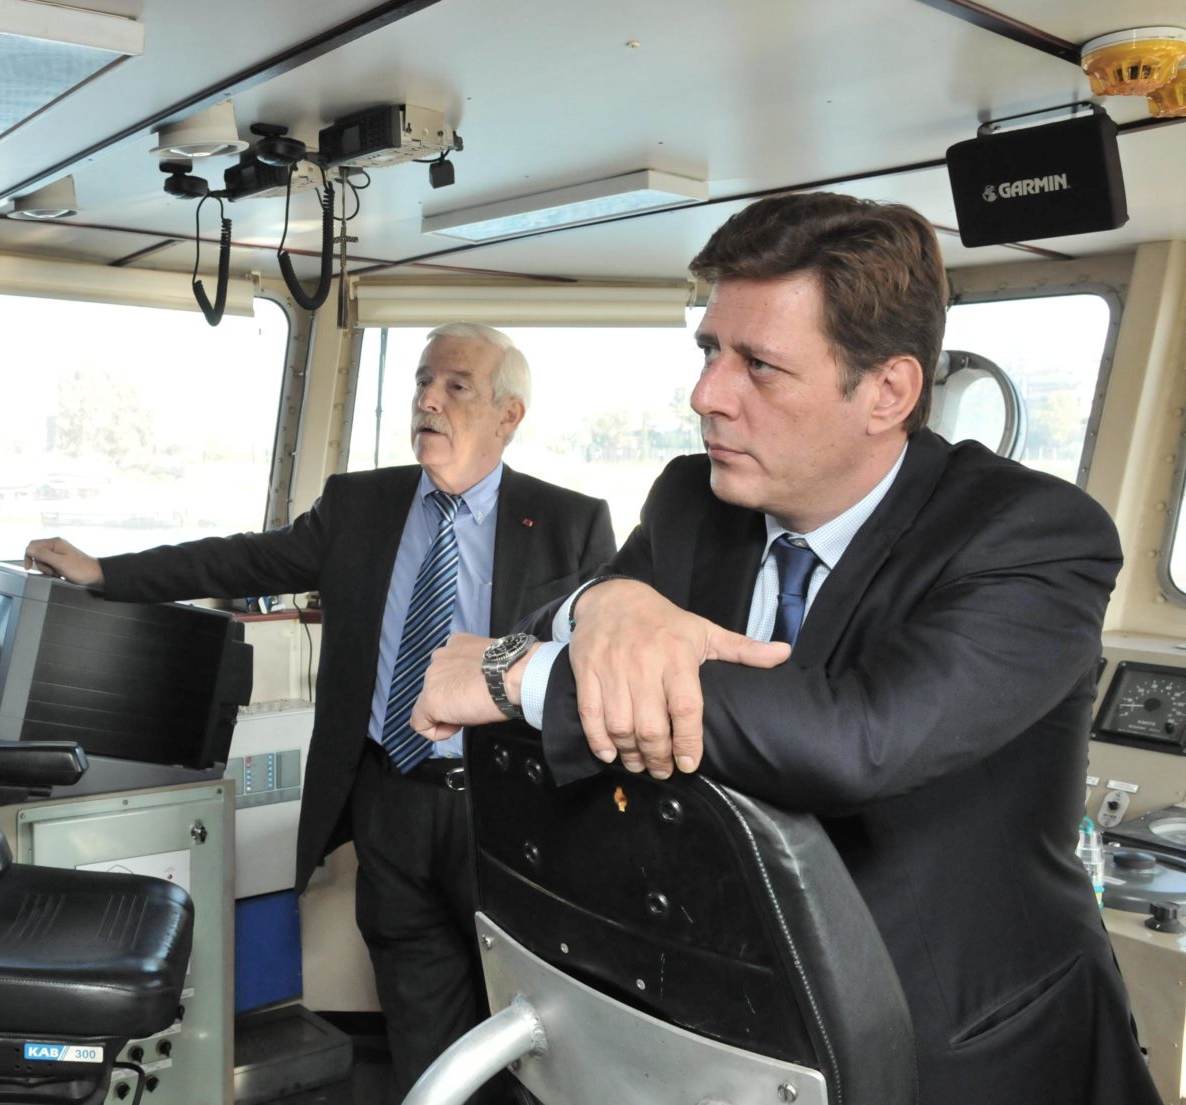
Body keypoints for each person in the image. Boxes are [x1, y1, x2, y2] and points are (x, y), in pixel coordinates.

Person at [410, 195, 1162, 1105]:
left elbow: (856, 740)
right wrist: (609, 601)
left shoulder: (1032, 535)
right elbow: (565, 617)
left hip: (965, 1050)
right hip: (739, 1032)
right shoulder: (695, 502)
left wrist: (526, 676)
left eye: (759, 365)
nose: (707, 395)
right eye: (709, 351)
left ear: (887, 392)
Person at [25, 321, 616, 1105]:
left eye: (456, 386)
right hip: (390, 799)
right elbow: (242, 557)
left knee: (532, 1021)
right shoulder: (360, 504)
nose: (428, 400)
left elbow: (593, 668)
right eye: (421, 381)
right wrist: (105, 571)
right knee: (419, 1012)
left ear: (508, 415)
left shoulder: (571, 523)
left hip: (506, 811)